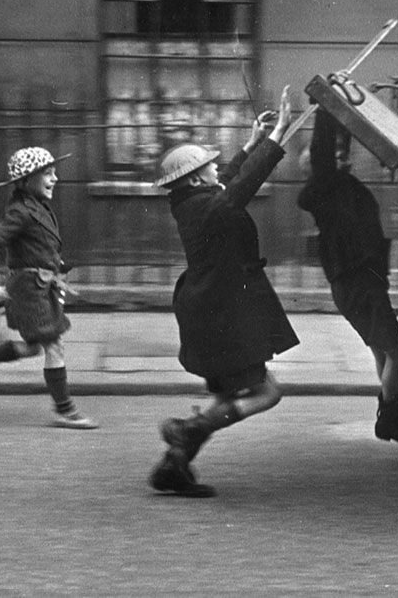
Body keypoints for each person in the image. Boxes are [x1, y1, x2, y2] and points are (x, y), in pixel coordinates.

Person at [149, 86, 298, 497]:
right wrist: (277, 135)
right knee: (268, 393)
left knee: (230, 396)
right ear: (197, 177)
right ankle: (186, 429)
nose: (218, 168)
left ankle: (174, 466)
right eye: (210, 166)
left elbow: (228, 181)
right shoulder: (208, 208)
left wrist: (250, 143)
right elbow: (240, 188)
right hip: (221, 315)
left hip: (211, 312)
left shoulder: (192, 202)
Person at [298, 109, 398, 444]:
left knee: (383, 351)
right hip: (357, 286)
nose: (342, 156)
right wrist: (325, 109)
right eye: (335, 155)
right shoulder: (326, 188)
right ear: (321, 168)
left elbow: (336, 147)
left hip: (362, 284)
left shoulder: (341, 185)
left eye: (343, 152)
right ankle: (391, 416)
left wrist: (339, 120)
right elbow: (322, 151)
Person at [0, 146, 97, 430]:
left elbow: (36, 245)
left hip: (39, 287)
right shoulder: (21, 212)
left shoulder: (36, 206)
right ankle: (65, 410)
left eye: (54, 172)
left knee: (32, 348)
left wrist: (54, 262)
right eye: (47, 173)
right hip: (29, 290)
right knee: (54, 344)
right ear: (26, 180)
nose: (54, 178)